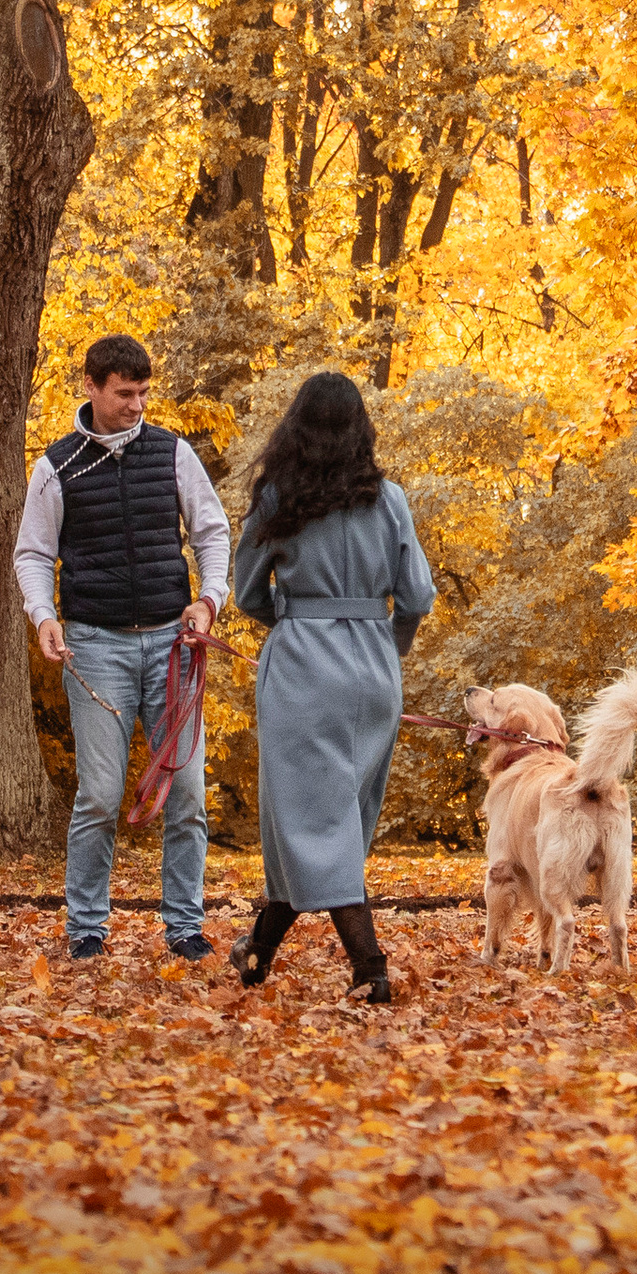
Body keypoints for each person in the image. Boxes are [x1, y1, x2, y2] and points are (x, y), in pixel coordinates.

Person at [14, 335, 230, 962]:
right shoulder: (57, 466)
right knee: (101, 795)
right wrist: (43, 615)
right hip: (94, 647)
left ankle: (185, 926)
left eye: (143, 394)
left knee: (188, 791)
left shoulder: (173, 454)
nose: (137, 405)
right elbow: (32, 553)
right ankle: (86, 927)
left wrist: (209, 601)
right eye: (124, 393)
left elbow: (212, 533)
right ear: (92, 386)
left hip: (174, 645)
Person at [228, 371, 435, 1004]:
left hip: (302, 672)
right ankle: (257, 949)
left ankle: (370, 967)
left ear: (296, 428)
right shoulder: (391, 499)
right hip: (374, 674)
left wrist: (294, 624)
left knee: (310, 822)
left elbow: (245, 594)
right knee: (332, 821)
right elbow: (419, 595)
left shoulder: (278, 502)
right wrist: (385, 644)